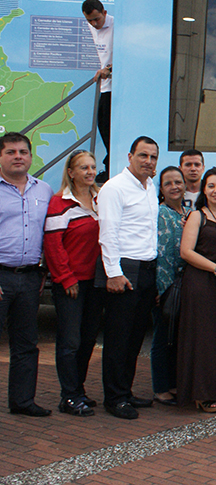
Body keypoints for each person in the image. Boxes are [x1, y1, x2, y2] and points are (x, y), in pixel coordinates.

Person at [97, 136, 159, 419]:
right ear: (130, 156)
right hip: (124, 269)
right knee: (118, 337)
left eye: (153, 157)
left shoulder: (149, 187)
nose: (148, 161)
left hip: (147, 268)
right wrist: (114, 273)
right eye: (143, 155)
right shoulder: (115, 188)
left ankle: (126, 390)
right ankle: (114, 398)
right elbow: (108, 233)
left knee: (135, 337)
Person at [175, 168, 216, 413]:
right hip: (201, 282)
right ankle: (202, 393)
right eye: (211, 186)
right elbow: (186, 252)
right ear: (204, 189)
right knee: (203, 340)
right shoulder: (196, 216)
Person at [43, 150, 102, 417]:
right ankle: (68, 396)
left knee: (88, 339)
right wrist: (66, 278)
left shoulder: (101, 200)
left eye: (92, 167)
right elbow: (54, 247)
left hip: (97, 281)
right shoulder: (59, 203)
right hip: (72, 283)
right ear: (71, 172)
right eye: (83, 168)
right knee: (70, 341)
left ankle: (78, 390)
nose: (90, 172)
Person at [0, 132, 53, 417]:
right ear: (1, 157)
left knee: (25, 344)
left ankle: (22, 401)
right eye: (10, 152)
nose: (18, 156)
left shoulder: (43, 190)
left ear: (31, 157)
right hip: (1, 275)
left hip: (31, 277)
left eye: (23, 151)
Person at [152, 165, 187, 406]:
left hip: (183, 285)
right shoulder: (159, 213)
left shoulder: (187, 212)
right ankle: (160, 388)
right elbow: (160, 253)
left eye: (178, 182)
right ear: (161, 189)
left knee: (176, 337)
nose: (174, 187)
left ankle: (173, 383)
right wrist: (161, 289)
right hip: (165, 286)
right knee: (162, 338)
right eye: (168, 183)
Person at [82, 0, 112, 175]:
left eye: (97, 19)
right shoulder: (92, 27)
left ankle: (110, 164)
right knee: (102, 125)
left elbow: (127, 55)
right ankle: (108, 163)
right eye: (89, 21)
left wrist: (109, 69)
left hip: (117, 87)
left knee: (107, 127)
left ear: (105, 13)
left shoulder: (117, 25)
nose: (94, 24)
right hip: (105, 85)